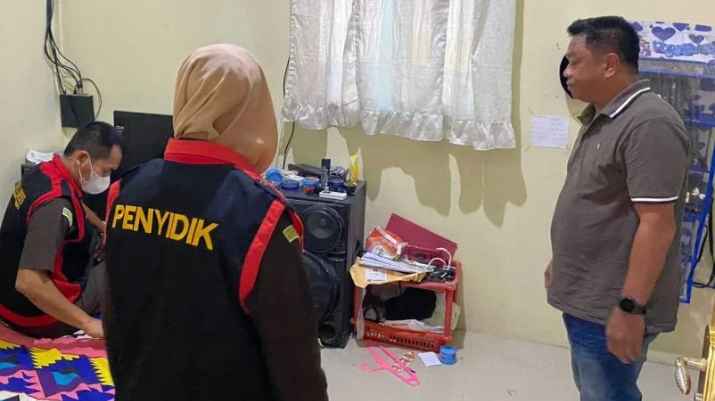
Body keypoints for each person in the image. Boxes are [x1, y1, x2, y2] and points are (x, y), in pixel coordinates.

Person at [103, 44, 328, 401]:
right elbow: (294, 357)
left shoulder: (125, 191)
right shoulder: (260, 214)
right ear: (253, 112)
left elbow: (114, 316)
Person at [547, 16, 691, 401]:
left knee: (607, 394)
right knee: (594, 388)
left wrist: (630, 308)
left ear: (609, 64)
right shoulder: (604, 116)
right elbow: (594, 202)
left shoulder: (649, 124)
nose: (567, 72)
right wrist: (561, 261)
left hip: (612, 304)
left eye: (574, 62)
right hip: (587, 294)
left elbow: (657, 225)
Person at [0, 121, 122, 339]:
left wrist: (101, 225)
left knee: (98, 241)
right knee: (119, 259)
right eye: (106, 171)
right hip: (35, 315)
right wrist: (88, 324)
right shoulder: (55, 208)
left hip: (7, 300)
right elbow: (28, 282)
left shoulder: (44, 172)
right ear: (82, 158)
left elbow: (74, 201)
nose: (107, 179)